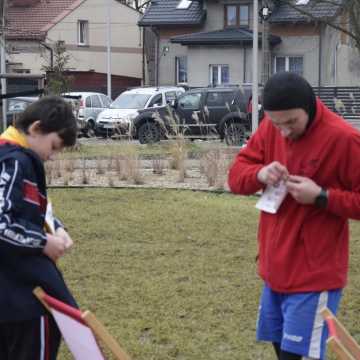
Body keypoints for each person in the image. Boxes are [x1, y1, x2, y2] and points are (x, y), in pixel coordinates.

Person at [228, 72, 360, 360]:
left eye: (291, 122)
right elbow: (236, 178)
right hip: (274, 270)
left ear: (310, 106)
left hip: (315, 276)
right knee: (282, 352)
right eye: (277, 124)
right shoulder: (270, 128)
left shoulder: (344, 139)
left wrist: (323, 197)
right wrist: (259, 174)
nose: (284, 131)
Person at [0, 96, 78, 359]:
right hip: (25, 299)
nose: (52, 156)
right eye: (54, 146)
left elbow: (28, 206)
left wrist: (56, 227)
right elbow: (2, 223)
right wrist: (44, 242)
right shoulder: (14, 161)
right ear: (35, 129)